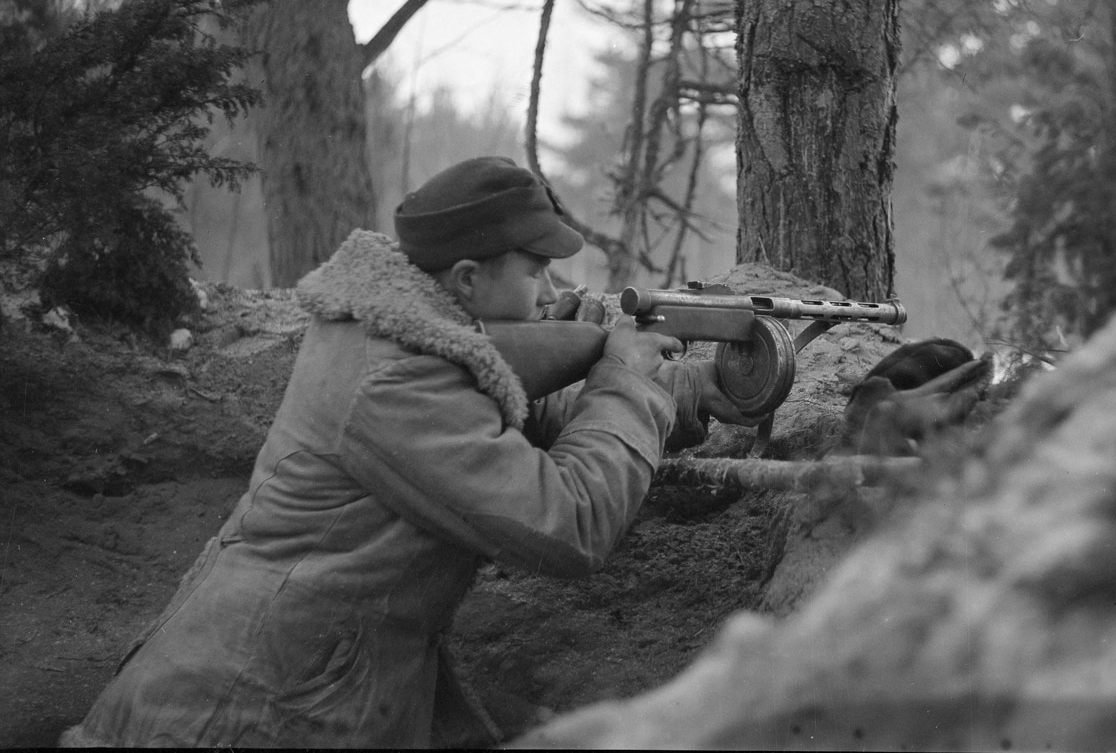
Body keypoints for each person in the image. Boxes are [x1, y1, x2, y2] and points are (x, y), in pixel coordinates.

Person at [62, 156, 746, 748]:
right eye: (537, 271)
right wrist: (624, 383)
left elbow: (509, 417)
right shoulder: (397, 380)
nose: (554, 294)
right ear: (470, 279)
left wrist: (685, 388)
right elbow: (568, 523)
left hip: (272, 697)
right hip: (235, 719)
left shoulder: (400, 337)